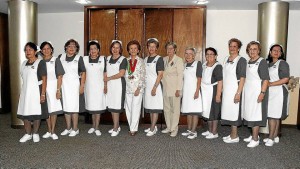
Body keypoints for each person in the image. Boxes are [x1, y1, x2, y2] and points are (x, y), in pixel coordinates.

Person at [17, 42, 48, 143]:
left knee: (36, 113)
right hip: (26, 92)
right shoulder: (23, 63)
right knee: (25, 113)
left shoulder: (40, 62)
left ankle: (35, 133)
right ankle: (28, 134)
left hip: (36, 91)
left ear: (35, 51)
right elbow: (24, 79)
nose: (28, 52)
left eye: (30, 50)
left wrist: (42, 94)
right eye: (26, 50)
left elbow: (44, 79)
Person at [242, 41, 269, 148]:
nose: (252, 51)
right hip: (249, 92)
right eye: (250, 49)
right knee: (249, 114)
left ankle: (255, 139)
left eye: (255, 49)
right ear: (248, 51)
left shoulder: (261, 62)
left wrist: (262, 93)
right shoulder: (249, 61)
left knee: (255, 115)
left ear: (259, 50)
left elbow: (266, 79)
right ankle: (253, 134)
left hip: (257, 92)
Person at [221, 38, 247, 143]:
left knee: (234, 112)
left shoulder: (241, 60)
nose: (232, 48)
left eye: (234, 46)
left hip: (235, 89)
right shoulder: (226, 59)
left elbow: (242, 78)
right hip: (227, 90)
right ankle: (232, 133)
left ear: (239, 48)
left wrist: (238, 93)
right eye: (230, 46)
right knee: (229, 112)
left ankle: (235, 136)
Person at [59, 39, 86, 137]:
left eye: (74, 46)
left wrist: (82, 86)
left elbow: (83, 73)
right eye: (69, 46)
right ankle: (68, 128)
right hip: (64, 85)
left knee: (74, 108)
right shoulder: (60, 57)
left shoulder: (79, 58)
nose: (71, 48)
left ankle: (75, 128)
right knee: (66, 107)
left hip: (75, 86)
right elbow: (58, 73)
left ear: (76, 49)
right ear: (66, 47)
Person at [264, 44, 290, 146]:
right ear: (270, 52)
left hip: (279, 91)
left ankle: (270, 137)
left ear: (281, 53)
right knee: (274, 115)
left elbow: (285, 79)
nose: (276, 52)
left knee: (273, 115)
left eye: (279, 51)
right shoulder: (268, 64)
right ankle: (275, 136)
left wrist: (270, 84)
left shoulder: (282, 63)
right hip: (271, 91)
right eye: (274, 50)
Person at [40, 41, 65, 140]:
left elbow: (60, 76)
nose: (46, 51)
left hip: (53, 86)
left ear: (51, 50)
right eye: (44, 49)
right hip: (43, 88)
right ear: (41, 51)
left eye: (48, 48)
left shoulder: (56, 60)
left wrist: (58, 90)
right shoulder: (39, 62)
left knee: (53, 110)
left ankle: (53, 131)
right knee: (47, 109)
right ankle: (49, 130)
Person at [83, 40, 107, 136]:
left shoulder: (103, 59)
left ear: (98, 50)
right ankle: (93, 126)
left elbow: (105, 74)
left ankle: (97, 127)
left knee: (98, 107)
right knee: (92, 107)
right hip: (89, 87)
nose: (93, 50)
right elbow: (82, 73)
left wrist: (105, 85)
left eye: (95, 49)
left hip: (99, 87)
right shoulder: (84, 59)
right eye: (91, 49)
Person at [104, 40, 127, 137]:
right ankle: (116, 125)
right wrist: (105, 85)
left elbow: (121, 73)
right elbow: (105, 73)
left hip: (118, 86)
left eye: (117, 47)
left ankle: (116, 128)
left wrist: (108, 78)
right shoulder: (108, 58)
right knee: (112, 106)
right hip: (110, 86)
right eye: (113, 47)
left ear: (120, 49)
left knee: (116, 107)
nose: (115, 49)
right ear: (111, 48)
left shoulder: (123, 59)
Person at [161, 42, 184, 137]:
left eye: (171, 48)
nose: (169, 50)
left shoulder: (178, 60)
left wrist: (179, 89)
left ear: (175, 49)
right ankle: (169, 126)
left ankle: (174, 128)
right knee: (167, 109)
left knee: (175, 109)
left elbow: (180, 75)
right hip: (165, 88)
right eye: (168, 48)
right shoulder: (164, 59)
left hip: (175, 89)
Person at [143, 38, 164, 137]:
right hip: (147, 87)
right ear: (147, 47)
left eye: (153, 46)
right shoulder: (145, 59)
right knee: (150, 107)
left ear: (156, 48)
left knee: (155, 108)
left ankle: (152, 128)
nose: (151, 48)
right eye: (149, 46)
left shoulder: (159, 59)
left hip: (155, 86)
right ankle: (153, 126)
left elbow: (160, 75)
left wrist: (155, 87)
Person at [124, 40, 145, 136]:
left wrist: (139, 88)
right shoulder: (126, 61)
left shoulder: (141, 61)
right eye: (131, 48)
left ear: (138, 50)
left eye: (135, 48)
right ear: (128, 50)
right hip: (128, 88)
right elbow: (124, 74)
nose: (133, 50)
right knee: (128, 108)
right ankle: (131, 125)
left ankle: (133, 128)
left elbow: (143, 76)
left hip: (137, 89)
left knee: (135, 108)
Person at [201, 47, 223, 139]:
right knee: (207, 111)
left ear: (215, 56)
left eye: (211, 54)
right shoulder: (204, 65)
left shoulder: (217, 66)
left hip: (213, 90)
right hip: (205, 90)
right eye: (207, 54)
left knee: (214, 112)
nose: (209, 56)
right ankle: (209, 130)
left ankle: (214, 132)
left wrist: (218, 95)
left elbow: (220, 81)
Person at [181, 47, 203, 139]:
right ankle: (189, 130)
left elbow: (199, 79)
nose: (188, 55)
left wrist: (197, 91)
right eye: (186, 53)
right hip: (186, 92)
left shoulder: (197, 64)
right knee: (188, 112)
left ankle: (194, 131)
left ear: (194, 55)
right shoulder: (184, 65)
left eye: (190, 53)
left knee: (194, 112)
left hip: (194, 91)